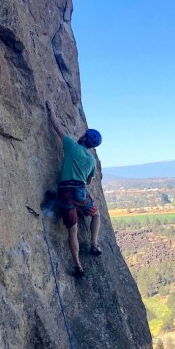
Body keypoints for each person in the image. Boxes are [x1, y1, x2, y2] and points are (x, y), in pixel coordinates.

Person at [45, 100, 102, 277]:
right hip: (80, 192)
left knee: (73, 231)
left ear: (84, 137)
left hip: (64, 193)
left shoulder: (72, 146)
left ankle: (78, 265)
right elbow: (90, 180)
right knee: (95, 214)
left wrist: (51, 111)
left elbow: (57, 127)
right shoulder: (92, 161)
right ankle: (94, 244)